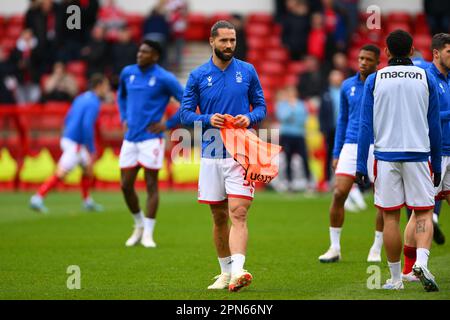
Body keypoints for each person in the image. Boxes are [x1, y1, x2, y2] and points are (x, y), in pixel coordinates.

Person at [180, 20, 266, 292]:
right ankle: (226, 273)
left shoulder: (248, 70)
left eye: (233, 40)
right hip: (211, 154)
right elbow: (184, 114)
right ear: (211, 41)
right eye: (224, 41)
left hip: (240, 153)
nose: (229, 45)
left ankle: (240, 271)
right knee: (218, 217)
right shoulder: (197, 76)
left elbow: (261, 106)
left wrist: (249, 117)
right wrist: (207, 118)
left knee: (238, 213)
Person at [356, 30, 442, 291]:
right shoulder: (425, 77)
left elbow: (364, 126)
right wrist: (436, 163)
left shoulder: (374, 79)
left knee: (390, 217)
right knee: (423, 211)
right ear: (412, 51)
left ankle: (395, 280)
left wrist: (361, 164)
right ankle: (422, 263)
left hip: (385, 156)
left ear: (386, 52)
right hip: (418, 154)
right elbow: (434, 124)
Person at [318, 44, 384, 263]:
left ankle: (376, 247)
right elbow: (342, 120)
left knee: (382, 199)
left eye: (368, 59)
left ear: (377, 62)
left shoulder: (383, 85)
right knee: (339, 193)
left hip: (378, 145)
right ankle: (334, 247)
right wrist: (336, 152)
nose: (363, 62)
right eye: (360, 58)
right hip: (351, 144)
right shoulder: (347, 86)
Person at [118, 40, 183, 249]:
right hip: (130, 138)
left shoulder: (165, 78)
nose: (140, 54)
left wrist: (168, 124)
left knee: (151, 185)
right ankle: (138, 224)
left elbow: (187, 103)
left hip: (151, 140)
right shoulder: (128, 72)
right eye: (139, 50)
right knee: (125, 185)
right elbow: (121, 96)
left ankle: (148, 233)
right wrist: (123, 116)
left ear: (155, 56)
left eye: (145, 52)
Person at [402, 33, 450, 282]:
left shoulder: (449, 79)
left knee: (421, 212)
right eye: (449, 52)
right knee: (421, 211)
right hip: (434, 153)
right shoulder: (426, 78)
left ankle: (412, 267)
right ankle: (412, 267)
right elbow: (424, 115)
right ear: (436, 53)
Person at [30, 74, 110, 213]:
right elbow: (86, 125)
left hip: (68, 138)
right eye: (106, 86)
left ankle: (87, 201)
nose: (107, 89)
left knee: (87, 169)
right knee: (62, 172)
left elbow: (68, 117)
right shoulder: (94, 102)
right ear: (99, 86)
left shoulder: (80, 97)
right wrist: (91, 148)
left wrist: (65, 134)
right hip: (76, 142)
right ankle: (37, 198)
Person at [275, 85, 313, 191]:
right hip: (287, 135)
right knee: (288, 158)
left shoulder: (301, 104)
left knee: (305, 158)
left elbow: (303, 119)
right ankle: (289, 183)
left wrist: (292, 115)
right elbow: (282, 117)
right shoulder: (282, 105)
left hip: (299, 134)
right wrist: (292, 110)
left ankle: (309, 182)